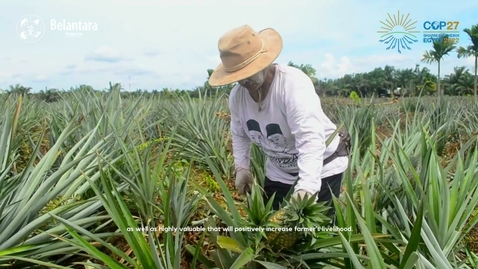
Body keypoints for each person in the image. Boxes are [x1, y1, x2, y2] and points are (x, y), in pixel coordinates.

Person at [208, 25, 350, 217]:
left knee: (316, 235)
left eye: (248, 73)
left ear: (264, 61)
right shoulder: (237, 96)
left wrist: (307, 187)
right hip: (279, 170)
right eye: (238, 77)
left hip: (321, 165)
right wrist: (241, 167)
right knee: (273, 231)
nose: (244, 82)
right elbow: (239, 134)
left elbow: (309, 138)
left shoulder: (292, 85)